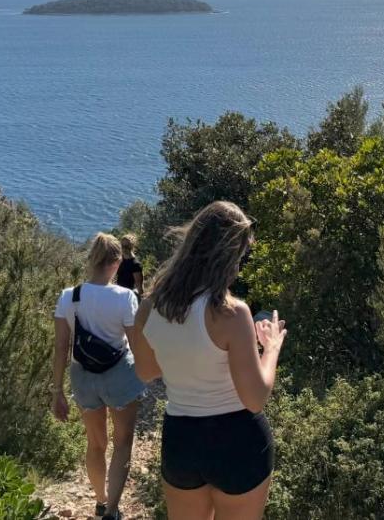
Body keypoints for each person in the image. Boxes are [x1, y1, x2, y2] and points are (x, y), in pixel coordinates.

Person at [128, 201, 287, 520]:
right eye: (240, 256)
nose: (240, 266)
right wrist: (271, 347)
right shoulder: (231, 313)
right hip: (238, 440)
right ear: (227, 256)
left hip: (182, 440)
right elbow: (255, 398)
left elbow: (146, 371)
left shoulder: (149, 308)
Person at [51, 233, 148, 520]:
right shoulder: (125, 297)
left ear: (91, 259)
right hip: (119, 375)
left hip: (83, 377)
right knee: (122, 442)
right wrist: (148, 372)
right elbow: (136, 343)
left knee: (95, 444)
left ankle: (101, 501)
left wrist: (57, 391)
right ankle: (113, 511)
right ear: (117, 262)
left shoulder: (69, 296)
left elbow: (61, 347)